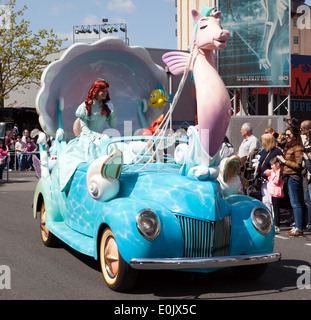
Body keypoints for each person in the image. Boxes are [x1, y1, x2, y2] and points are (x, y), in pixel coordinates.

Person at [59, 79, 117, 191]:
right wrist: (93, 138)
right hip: (88, 136)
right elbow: (83, 127)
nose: (105, 93)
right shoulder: (85, 107)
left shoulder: (106, 106)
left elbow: (112, 125)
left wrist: (113, 111)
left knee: (114, 148)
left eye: (106, 91)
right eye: (102, 91)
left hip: (101, 136)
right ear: (95, 91)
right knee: (89, 151)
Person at [277, 126, 304, 237]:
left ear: (294, 135)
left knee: (296, 203)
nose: (286, 137)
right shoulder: (289, 146)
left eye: (289, 135)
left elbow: (298, 165)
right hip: (288, 176)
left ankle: (299, 227)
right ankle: (297, 226)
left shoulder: (297, 147)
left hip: (294, 177)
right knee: (293, 203)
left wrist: (284, 161)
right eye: (286, 134)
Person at [258, 133, 283, 214]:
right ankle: (268, 216)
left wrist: (271, 171)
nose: (262, 143)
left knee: (271, 200)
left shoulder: (277, 151)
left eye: (263, 141)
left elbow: (281, 166)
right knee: (265, 199)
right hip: (263, 179)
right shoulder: (263, 151)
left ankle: (274, 219)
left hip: (272, 179)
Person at [264, 157, 285, 233]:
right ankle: (275, 224)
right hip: (273, 192)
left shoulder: (278, 171)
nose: (271, 167)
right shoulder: (275, 171)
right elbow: (271, 180)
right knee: (274, 207)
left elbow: (276, 181)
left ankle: (277, 225)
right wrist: (269, 174)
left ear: (277, 164)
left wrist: (272, 173)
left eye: (272, 165)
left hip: (277, 193)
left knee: (276, 209)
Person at [301, 120, 311, 230]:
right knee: (307, 201)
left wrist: (307, 156)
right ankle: (308, 222)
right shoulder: (305, 141)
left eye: (302, 129)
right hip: (306, 175)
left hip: (309, 173)